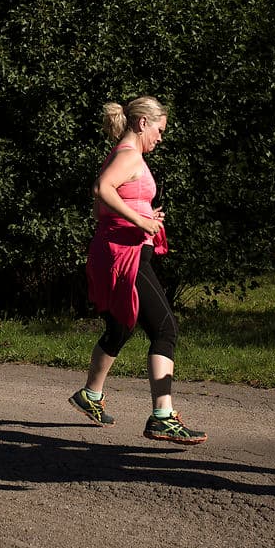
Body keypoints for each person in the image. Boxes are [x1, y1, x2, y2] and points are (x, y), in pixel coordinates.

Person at [67, 97, 207, 445]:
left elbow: (116, 197)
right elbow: (102, 191)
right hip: (124, 253)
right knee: (165, 330)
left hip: (122, 248)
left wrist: (146, 215)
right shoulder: (128, 154)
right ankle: (163, 417)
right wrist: (140, 219)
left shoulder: (128, 155)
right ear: (143, 123)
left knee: (122, 325)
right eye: (159, 130)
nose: (161, 137)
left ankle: (90, 395)